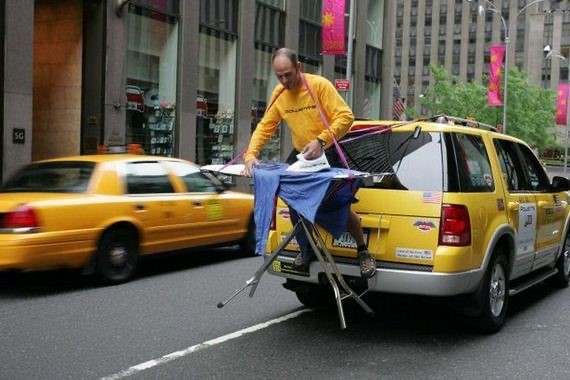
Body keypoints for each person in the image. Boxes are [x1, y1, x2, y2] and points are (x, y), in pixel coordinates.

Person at [241, 47, 376, 279]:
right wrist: (250, 155)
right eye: (279, 76)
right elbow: (265, 127)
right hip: (301, 154)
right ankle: (307, 250)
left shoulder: (319, 85)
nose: (284, 80)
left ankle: (363, 251)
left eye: (288, 74)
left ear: (298, 67)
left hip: (328, 150)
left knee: (339, 205)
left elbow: (346, 117)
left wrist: (321, 141)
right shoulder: (279, 93)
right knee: (294, 202)